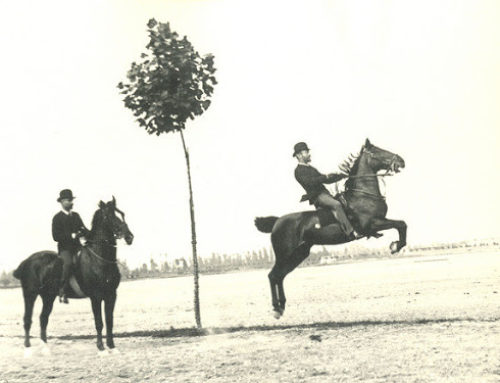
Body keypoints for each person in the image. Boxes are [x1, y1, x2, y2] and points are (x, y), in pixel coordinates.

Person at [293, 142, 359, 240]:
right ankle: (350, 232)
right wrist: (325, 177)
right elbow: (310, 182)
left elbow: (325, 180)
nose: (308, 154)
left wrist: (338, 177)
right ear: (299, 155)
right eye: (306, 152)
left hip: (325, 194)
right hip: (318, 197)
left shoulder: (311, 168)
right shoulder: (298, 171)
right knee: (336, 205)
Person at [52, 189, 90, 303]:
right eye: (69, 200)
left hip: (78, 247)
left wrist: (90, 234)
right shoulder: (57, 218)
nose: (71, 202)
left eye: (72, 200)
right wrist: (72, 235)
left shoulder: (76, 216)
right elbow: (56, 236)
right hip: (65, 249)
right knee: (67, 264)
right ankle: (62, 291)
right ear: (62, 202)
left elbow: (84, 229)